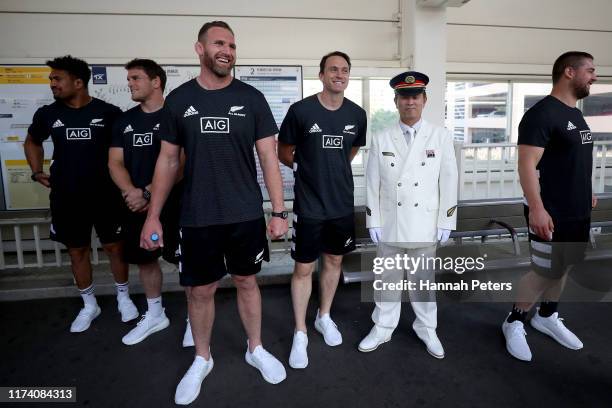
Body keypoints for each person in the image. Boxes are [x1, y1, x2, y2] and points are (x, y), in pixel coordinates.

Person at [139, 21, 289, 405]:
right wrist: (153, 215)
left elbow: (269, 158)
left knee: (246, 282)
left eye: (233, 45)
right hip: (197, 214)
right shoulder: (179, 100)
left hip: (243, 214)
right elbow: (168, 160)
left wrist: (278, 211)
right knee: (200, 290)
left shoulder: (252, 98)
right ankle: (202, 358)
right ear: (200, 49)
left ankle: (255, 348)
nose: (227, 50)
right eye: (219, 43)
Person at [24, 55, 138, 333]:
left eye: (56, 78)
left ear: (78, 82)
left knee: (115, 248)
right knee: (77, 251)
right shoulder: (48, 114)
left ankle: (123, 297)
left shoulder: (110, 113)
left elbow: (126, 152)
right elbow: (32, 141)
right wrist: (37, 170)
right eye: (51, 78)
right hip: (67, 197)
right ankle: (89, 305)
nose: (52, 83)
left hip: (106, 196)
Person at [502, 51, 597, 362]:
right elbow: (527, 165)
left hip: (578, 210)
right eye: (590, 71)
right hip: (551, 212)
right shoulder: (541, 114)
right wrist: (537, 208)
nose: (593, 77)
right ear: (569, 72)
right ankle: (514, 321)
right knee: (543, 271)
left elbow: (575, 160)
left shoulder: (575, 113)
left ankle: (546, 316)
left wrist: (588, 191)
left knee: (565, 265)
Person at [359, 71, 458, 359]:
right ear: (396, 101)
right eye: (404, 97)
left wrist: (446, 220)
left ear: (424, 100)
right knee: (387, 281)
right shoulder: (381, 138)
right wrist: (373, 219)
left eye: (415, 96)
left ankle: (427, 327)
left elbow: (449, 182)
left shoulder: (440, 136)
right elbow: (372, 183)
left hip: (425, 223)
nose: (410, 102)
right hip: (390, 224)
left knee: (423, 283)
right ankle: (383, 326)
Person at [277, 51, 367, 369]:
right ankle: (300, 331)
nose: (339, 74)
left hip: (341, 204)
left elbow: (351, 149)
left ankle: (323, 317)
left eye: (344, 70)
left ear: (348, 76)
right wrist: (309, 167)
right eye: (333, 69)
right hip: (309, 205)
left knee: (333, 260)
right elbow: (283, 151)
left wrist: (332, 168)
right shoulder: (301, 111)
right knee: (303, 269)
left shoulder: (357, 114)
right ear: (321, 74)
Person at [108, 58, 193, 346]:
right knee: (145, 260)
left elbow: (179, 163)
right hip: (135, 206)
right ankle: (155, 314)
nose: (130, 83)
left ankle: (196, 320)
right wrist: (130, 192)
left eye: (136, 78)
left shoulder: (178, 115)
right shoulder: (124, 120)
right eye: (129, 79)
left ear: (156, 81)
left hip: (177, 204)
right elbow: (115, 162)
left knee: (188, 264)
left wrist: (146, 192)